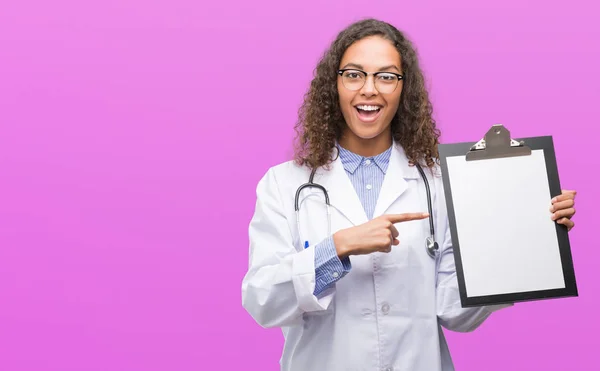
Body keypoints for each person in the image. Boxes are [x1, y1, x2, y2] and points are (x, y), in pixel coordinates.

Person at [241, 18, 577, 371]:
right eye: (354, 74)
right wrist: (338, 246)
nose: (369, 89)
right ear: (334, 85)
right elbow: (264, 301)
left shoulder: (440, 181)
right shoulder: (284, 184)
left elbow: (453, 313)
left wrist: (527, 238)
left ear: (404, 89)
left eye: (386, 76)